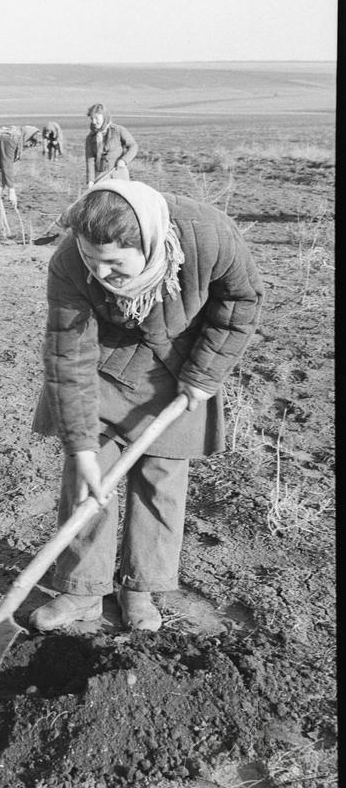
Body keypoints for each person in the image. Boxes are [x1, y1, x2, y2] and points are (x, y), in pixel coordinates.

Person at [30, 178, 263, 633]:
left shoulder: (208, 235)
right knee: (87, 475)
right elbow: (69, 353)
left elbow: (240, 303)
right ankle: (82, 589)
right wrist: (81, 450)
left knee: (160, 479)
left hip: (179, 365)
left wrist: (203, 375)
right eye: (92, 262)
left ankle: (140, 585)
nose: (102, 275)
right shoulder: (69, 263)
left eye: (115, 264)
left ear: (149, 242)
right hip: (102, 364)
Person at [85, 103, 138, 189]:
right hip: (100, 178)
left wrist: (123, 161)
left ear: (104, 117)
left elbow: (133, 146)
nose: (94, 122)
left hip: (119, 176)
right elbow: (90, 160)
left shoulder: (118, 130)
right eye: (92, 118)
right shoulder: (90, 138)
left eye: (96, 118)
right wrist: (90, 181)